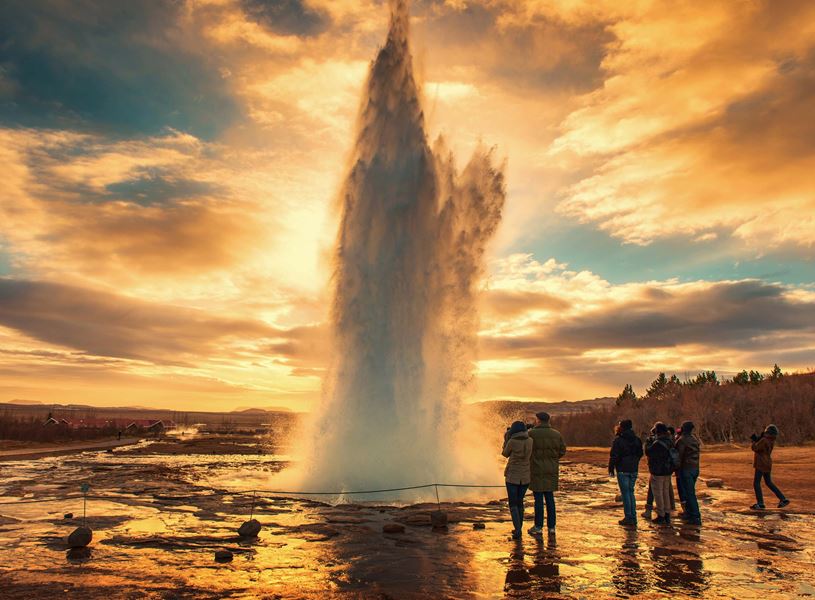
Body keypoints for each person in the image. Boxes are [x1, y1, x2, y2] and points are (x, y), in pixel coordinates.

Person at [527, 411, 567, 535]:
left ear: (538, 420)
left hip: (536, 469)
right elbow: (562, 451)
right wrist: (552, 459)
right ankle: (551, 527)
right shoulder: (556, 434)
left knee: (538, 499)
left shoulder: (531, 434)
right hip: (551, 470)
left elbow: (527, 450)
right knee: (550, 499)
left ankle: (538, 526)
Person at [609, 419, 643, 527]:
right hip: (633, 468)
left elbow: (614, 455)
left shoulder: (618, 440)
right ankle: (633, 516)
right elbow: (640, 453)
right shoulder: (637, 439)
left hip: (623, 469)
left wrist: (611, 467)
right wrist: (634, 461)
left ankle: (629, 517)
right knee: (630, 492)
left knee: (626, 494)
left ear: (622, 427)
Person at [503, 420, 533, 539]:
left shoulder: (512, 441)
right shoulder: (530, 441)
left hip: (512, 477)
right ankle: (519, 527)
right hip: (525, 476)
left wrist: (506, 439)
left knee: (513, 503)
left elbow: (505, 454)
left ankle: (518, 530)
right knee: (520, 502)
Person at [750, 424, 790, 509]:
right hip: (768, 463)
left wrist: (754, 441)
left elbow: (755, 448)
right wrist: (759, 440)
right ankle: (783, 499)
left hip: (761, 463)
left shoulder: (764, 440)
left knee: (756, 483)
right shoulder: (771, 441)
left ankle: (760, 503)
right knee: (768, 482)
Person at [645, 422, 675, 525]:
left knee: (658, 493)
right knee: (665, 492)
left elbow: (648, 452)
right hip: (667, 470)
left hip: (658, 471)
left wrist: (648, 442)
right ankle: (667, 514)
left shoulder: (657, 443)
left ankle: (661, 515)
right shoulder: (670, 441)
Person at [675, 421, 702, 526]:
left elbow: (678, 457)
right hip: (695, 468)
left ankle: (695, 516)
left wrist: (675, 468)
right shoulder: (695, 439)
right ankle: (689, 513)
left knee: (689, 494)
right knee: (689, 492)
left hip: (686, 468)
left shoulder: (682, 440)